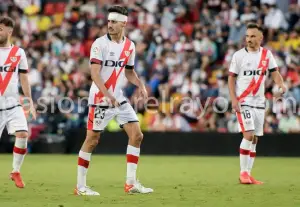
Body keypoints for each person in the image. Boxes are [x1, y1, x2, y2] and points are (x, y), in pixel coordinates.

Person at [74, 6, 153, 196]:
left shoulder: (130, 46)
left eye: (114, 22)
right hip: (101, 98)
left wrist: (140, 84)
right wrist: (107, 95)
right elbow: (94, 74)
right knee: (92, 140)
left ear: (124, 23)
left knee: (137, 135)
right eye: (109, 21)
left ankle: (131, 183)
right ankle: (80, 186)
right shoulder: (99, 44)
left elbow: (128, 71)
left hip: (118, 98)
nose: (110, 25)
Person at [228, 23, 287, 184]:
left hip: (259, 102)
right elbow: (231, 78)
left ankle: (248, 173)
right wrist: (233, 99)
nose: (249, 39)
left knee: (254, 139)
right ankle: (242, 173)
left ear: (261, 38)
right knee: (248, 135)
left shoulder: (267, 55)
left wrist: (281, 84)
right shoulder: (239, 56)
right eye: (247, 36)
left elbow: (275, 73)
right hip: (243, 101)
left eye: (253, 36)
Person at [0, 16, 36, 188]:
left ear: (9, 31)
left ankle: (15, 171)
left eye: (0, 29)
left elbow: (24, 79)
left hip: (13, 104)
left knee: (22, 135)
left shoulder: (19, 53)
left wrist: (29, 102)